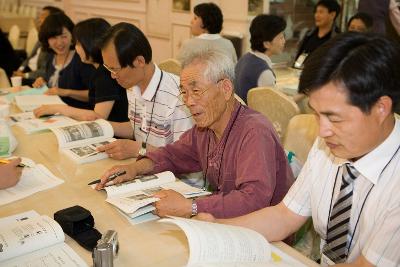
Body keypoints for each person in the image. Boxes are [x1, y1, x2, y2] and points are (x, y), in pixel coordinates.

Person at [198, 33, 400, 266]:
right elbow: (285, 216)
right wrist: (216, 227)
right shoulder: (330, 143)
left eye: (334, 118)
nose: (322, 131)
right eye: (316, 113)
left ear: (381, 108)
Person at [96, 50, 294, 219]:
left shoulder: (254, 131)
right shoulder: (205, 128)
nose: (189, 101)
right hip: (225, 221)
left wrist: (190, 207)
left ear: (225, 89)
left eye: (196, 90)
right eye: (184, 92)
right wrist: (134, 169)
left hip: (264, 235)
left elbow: (254, 199)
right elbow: (173, 155)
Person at [97, 22, 193, 159]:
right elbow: (139, 128)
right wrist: (98, 127)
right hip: (147, 166)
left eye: (115, 69)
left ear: (139, 61)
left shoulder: (178, 98)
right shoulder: (131, 85)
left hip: (178, 177)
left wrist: (139, 149)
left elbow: (186, 158)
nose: (112, 75)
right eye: (109, 68)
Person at [33, 18, 128, 122]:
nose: (76, 48)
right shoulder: (100, 70)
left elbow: (98, 118)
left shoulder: (105, 74)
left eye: (78, 43)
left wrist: (59, 109)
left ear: (90, 44)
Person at [32, 12, 95, 109]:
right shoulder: (51, 56)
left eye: (64, 36)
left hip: (78, 115)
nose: (59, 43)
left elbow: (96, 94)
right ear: (47, 40)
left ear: (72, 36)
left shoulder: (82, 59)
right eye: (53, 38)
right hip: (55, 112)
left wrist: (66, 92)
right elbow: (53, 84)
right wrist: (43, 81)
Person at [235, 14, 286, 104]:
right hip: (252, 116)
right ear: (266, 44)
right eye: (281, 38)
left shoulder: (245, 58)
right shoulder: (264, 72)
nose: (284, 41)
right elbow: (274, 106)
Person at [13, 6, 64, 85]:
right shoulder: (42, 36)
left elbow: (45, 71)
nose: (39, 19)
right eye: (39, 16)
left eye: (43, 17)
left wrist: (24, 75)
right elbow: (29, 58)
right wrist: (20, 70)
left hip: (35, 75)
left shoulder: (54, 43)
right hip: (28, 69)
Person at [293, 0, 340, 69]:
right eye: (316, 12)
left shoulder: (337, 38)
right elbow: (299, 58)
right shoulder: (309, 34)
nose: (316, 15)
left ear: (332, 15)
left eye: (321, 12)